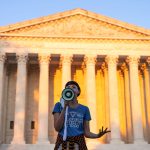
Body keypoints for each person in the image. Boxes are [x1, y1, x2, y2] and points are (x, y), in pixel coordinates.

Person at [52, 81, 110, 150]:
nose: (71, 89)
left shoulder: (84, 109)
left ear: (78, 92)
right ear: (65, 92)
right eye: (68, 87)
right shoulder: (58, 106)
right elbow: (57, 128)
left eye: (73, 87)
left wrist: (98, 135)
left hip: (79, 143)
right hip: (62, 143)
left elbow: (87, 133)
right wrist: (64, 108)